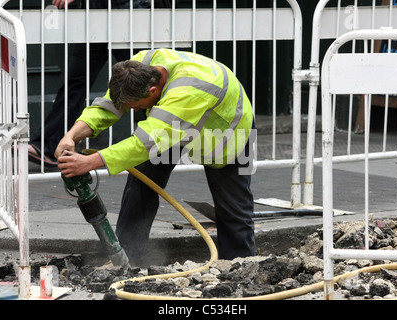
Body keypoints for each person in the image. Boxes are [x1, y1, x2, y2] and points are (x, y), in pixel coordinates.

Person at [55, 48, 256, 265]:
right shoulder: (140, 65)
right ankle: (125, 260)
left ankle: (240, 266)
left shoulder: (189, 91)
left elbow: (144, 143)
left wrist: (89, 162)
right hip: (170, 123)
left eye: (139, 107)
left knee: (233, 207)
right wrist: (71, 135)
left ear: (152, 91)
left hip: (228, 131)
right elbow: (108, 106)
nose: (136, 110)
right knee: (141, 185)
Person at [28, 0, 151, 167]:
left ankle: (165, 143)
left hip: (126, 14)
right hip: (95, 16)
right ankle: (47, 146)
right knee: (76, 82)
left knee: (143, 81)